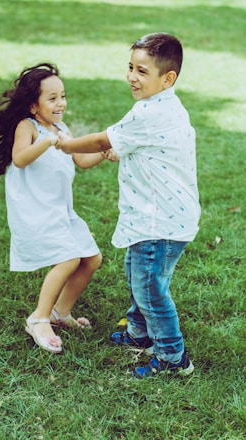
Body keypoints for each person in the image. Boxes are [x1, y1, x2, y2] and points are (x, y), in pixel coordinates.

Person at [56, 33, 201, 377]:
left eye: (142, 71)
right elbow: (145, 145)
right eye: (131, 67)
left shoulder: (149, 113)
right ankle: (140, 333)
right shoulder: (164, 106)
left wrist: (66, 144)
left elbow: (102, 140)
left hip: (158, 219)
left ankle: (171, 356)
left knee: (149, 286)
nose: (132, 77)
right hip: (161, 216)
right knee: (141, 275)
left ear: (168, 78)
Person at [0, 63, 104, 354]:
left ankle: (60, 313)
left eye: (63, 96)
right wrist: (47, 141)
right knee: (68, 259)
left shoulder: (61, 128)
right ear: (33, 105)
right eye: (52, 98)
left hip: (60, 211)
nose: (61, 103)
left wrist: (104, 152)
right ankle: (39, 317)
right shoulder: (27, 127)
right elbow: (20, 158)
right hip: (35, 212)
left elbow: (80, 159)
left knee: (91, 259)